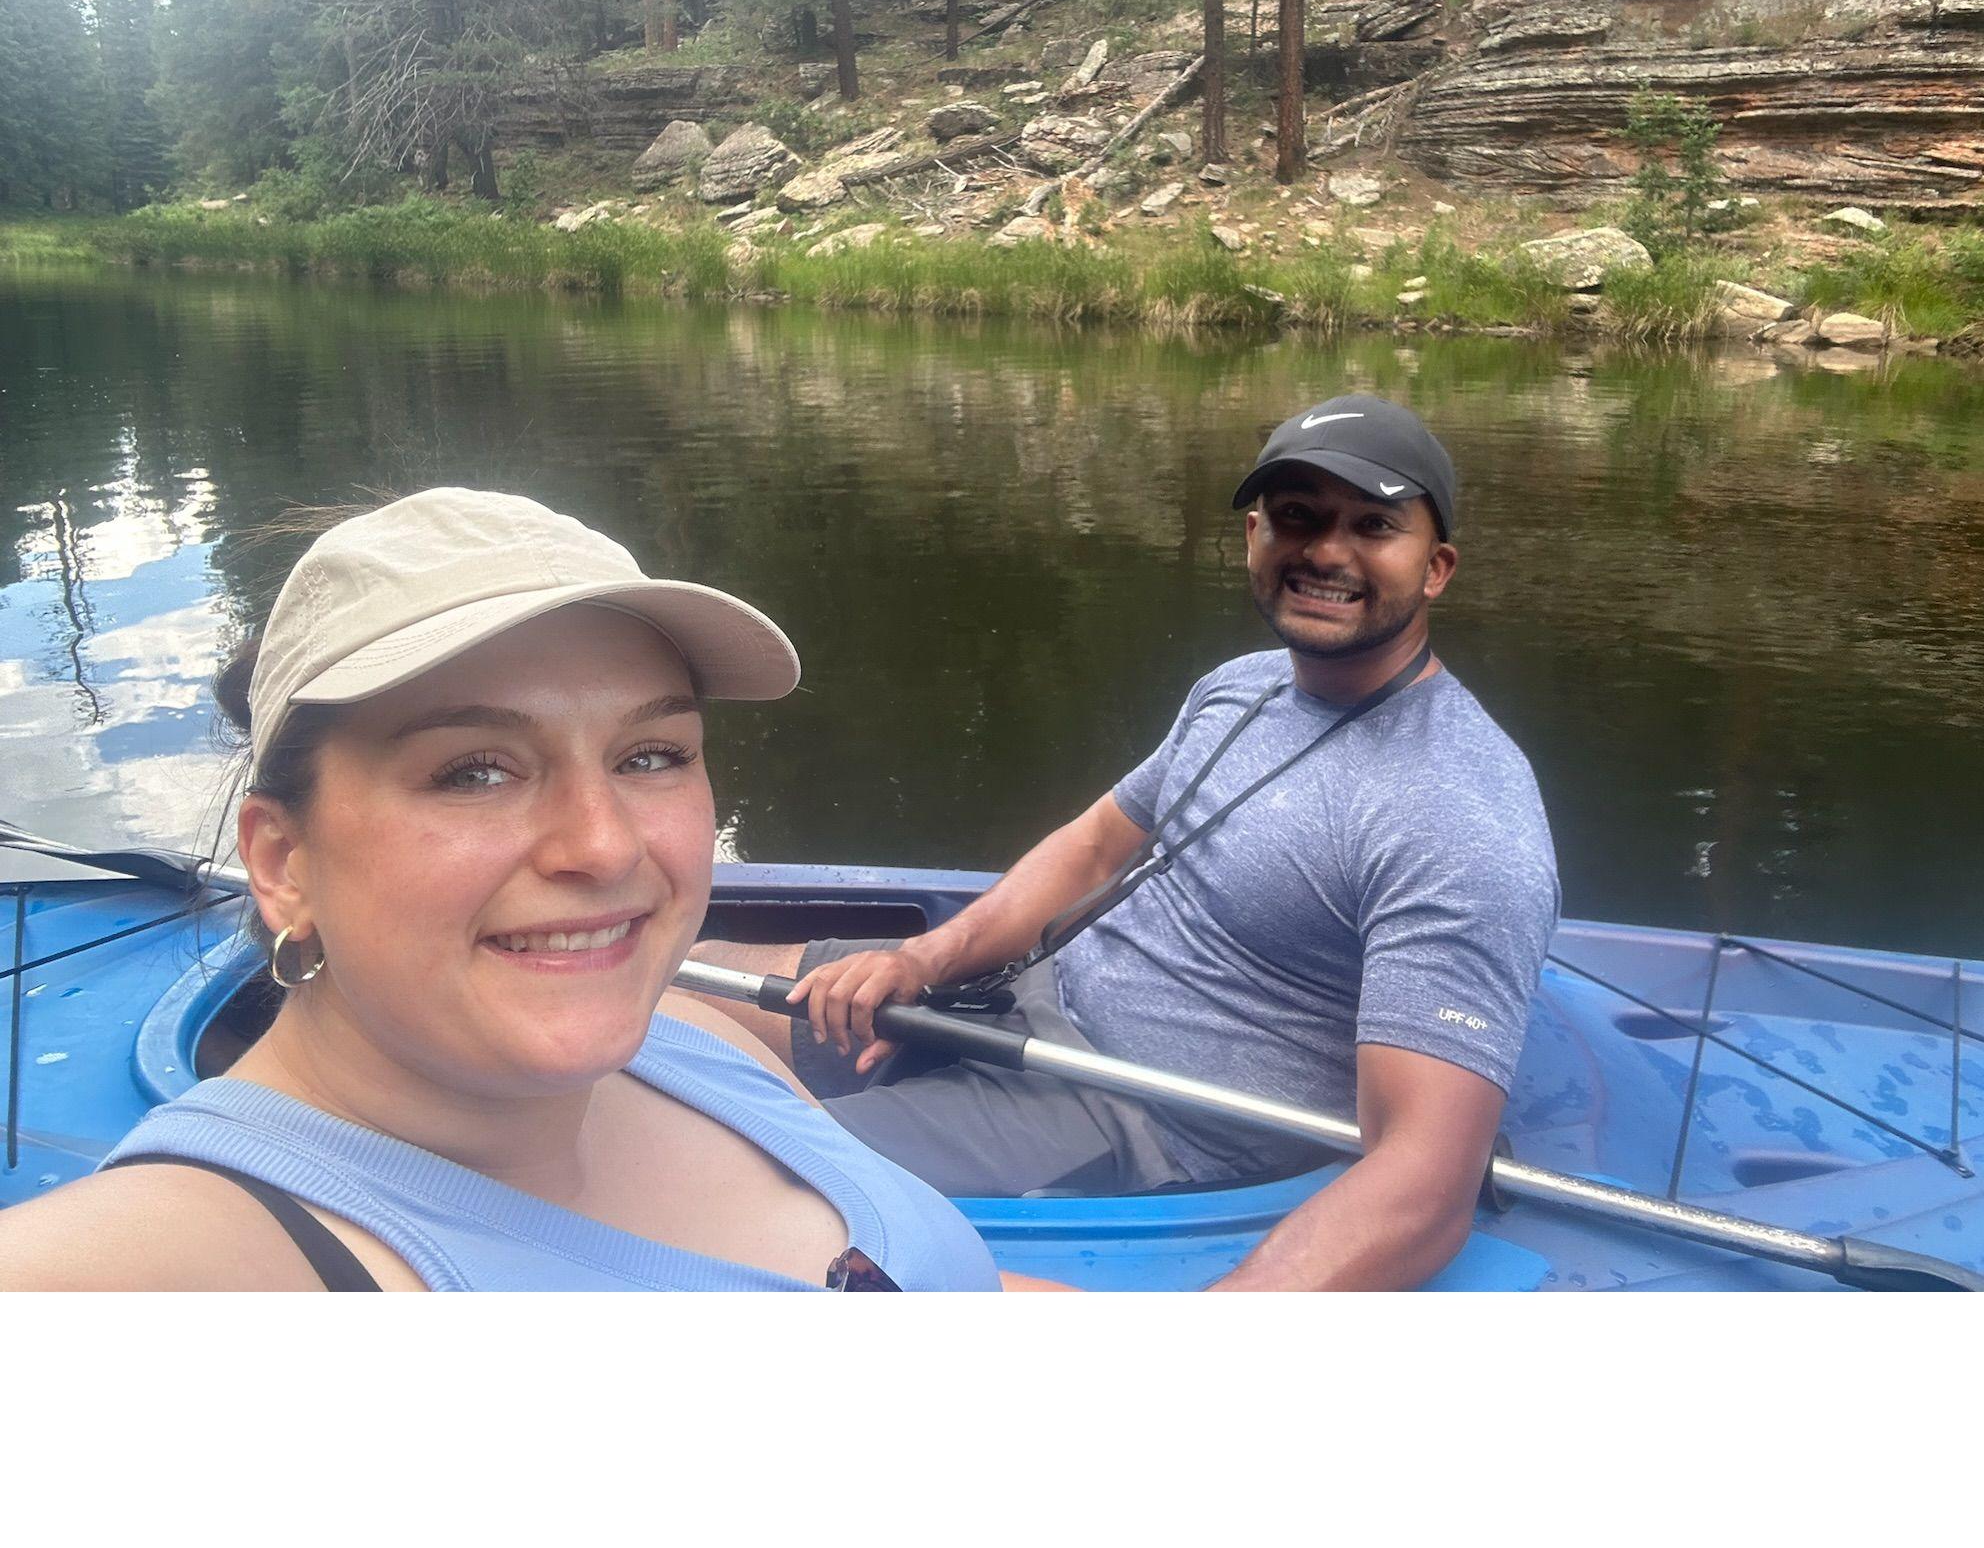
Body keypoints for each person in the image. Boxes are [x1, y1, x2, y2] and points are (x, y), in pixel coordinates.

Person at [0, 489, 1006, 1292]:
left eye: (651, 753)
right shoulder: (174, 1267)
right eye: (475, 769)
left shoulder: (697, 1043)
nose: (603, 844)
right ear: (280, 860)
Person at [697, 394, 1560, 1291]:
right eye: (1297, 517)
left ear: (1437, 568)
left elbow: (1424, 1184)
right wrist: (926, 958)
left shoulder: (1461, 817)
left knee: (700, 1161)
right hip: (1017, 999)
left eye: (1373, 525)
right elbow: (1093, 847)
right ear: (1254, 537)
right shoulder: (1244, 686)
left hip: (1137, 1117)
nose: (1326, 551)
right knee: (682, 991)